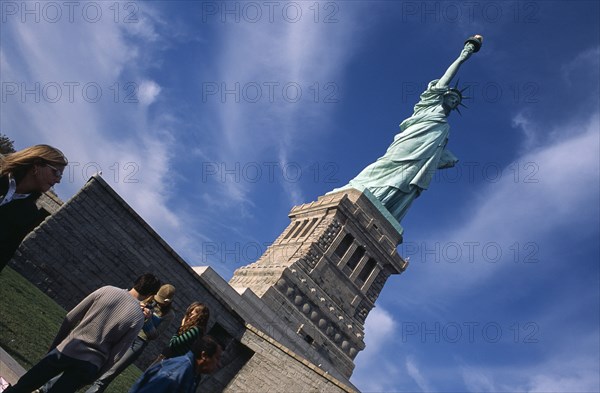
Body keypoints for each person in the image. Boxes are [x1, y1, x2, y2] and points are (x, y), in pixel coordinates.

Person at [330, 35, 483, 223]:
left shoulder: (445, 127)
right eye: (452, 96)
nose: (454, 100)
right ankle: (359, 188)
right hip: (406, 145)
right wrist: (463, 56)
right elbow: (445, 79)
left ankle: (385, 209)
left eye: (457, 101)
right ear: (444, 96)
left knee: (407, 182)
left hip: (420, 161)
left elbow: (437, 153)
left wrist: (446, 158)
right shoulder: (429, 105)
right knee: (387, 164)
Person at [5, 273, 161, 393]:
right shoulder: (139, 318)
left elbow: (70, 318)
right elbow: (117, 354)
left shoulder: (107, 290)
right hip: (91, 364)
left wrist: (56, 345)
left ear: (136, 282)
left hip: (69, 347)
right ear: (150, 295)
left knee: (24, 385)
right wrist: (97, 374)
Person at [82, 284, 177, 393]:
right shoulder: (148, 299)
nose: (158, 302)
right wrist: (138, 307)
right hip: (125, 332)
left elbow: (154, 335)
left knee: (110, 373)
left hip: (138, 342)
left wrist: (148, 320)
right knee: (96, 362)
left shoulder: (169, 315)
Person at [0, 144, 68, 271]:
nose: (58, 180)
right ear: (37, 164)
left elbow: (4, 253)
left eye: (60, 176)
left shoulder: (28, 214)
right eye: (56, 172)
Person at [128, 335, 222, 393]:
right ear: (204, 355)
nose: (219, 364)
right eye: (217, 358)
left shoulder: (193, 375)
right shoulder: (175, 373)